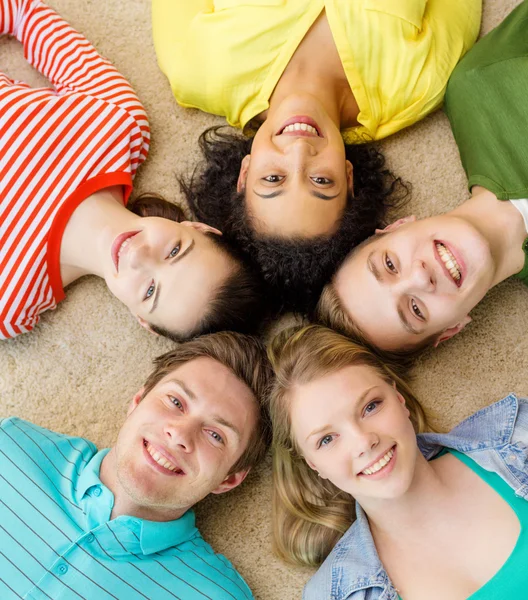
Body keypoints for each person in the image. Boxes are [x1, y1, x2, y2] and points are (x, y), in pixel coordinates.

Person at [152, 0, 482, 313]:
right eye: (321, 180)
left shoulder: (194, 67)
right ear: (349, 176)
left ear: (244, 173)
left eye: (273, 178)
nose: (299, 151)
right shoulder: (418, 86)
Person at [317, 0, 528, 363]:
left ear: (395, 227)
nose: (420, 277)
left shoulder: (479, 88)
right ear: (452, 329)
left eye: (389, 265)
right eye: (415, 310)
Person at [267, 325, 528, 599]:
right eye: (327, 439)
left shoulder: (518, 436)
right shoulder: (335, 594)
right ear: (313, 464)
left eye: (370, 407)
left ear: (399, 399)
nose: (363, 441)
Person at [0, 0, 263, 342]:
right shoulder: (121, 126)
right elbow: (23, 12)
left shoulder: (10, 302)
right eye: (174, 251)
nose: (139, 256)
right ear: (199, 228)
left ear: (143, 320)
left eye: (151, 291)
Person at [0, 331, 272, 599]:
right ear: (137, 402)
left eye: (215, 435)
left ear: (229, 479)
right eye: (176, 401)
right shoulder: (9, 445)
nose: (179, 435)